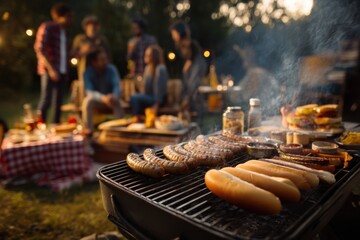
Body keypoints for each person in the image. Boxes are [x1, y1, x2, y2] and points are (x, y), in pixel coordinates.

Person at [34, 2, 72, 123]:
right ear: (59, 16)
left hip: (62, 71)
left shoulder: (64, 32)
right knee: (46, 100)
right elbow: (40, 48)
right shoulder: (48, 27)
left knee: (58, 102)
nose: (70, 20)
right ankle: (39, 127)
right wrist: (51, 69)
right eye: (68, 16)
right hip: (49, 70)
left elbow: (63, 54)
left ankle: (56, 127)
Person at [169, 20, 207, 121]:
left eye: (174, 33)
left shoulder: (187, 40)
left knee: (193, 85)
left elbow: (195, 51)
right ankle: (190, 112)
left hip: (197, 64)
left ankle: (197, 114)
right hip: (192, 64)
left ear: (179, 32)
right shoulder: (179, 44)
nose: (173, 36)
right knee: (188, 87)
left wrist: (189, 62)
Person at [71, 15, 110, 107]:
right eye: (90, 25)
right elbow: (72, 55)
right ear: (86, 27)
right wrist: (82, 51)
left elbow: (108, 57)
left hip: (100, 73)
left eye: (95, 25)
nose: (93, 28)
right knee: (85, 94)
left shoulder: (102, 40)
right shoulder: (80, 39)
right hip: (85, 72)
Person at [82, 49, 124, 133]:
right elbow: (90, 91)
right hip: (98, 101)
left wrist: (114, 95)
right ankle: (89, 132)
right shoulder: (87, 72)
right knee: (87, 102)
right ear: (94, 62)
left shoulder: (111, 69)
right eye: (102, 59)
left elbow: (116, 85)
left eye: (106, 58)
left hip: (111, 100)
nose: (105, 61)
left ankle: (119, 131)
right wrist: (103, 98)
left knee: (118, 103)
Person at [233, 45, 281, 117]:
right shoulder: (255, 72)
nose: (242, 56)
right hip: (265, 112)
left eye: (246, 54)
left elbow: (249, 96)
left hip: (264, 114)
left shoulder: (256, 73)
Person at [130, 45, 168, 119]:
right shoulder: (148, 68)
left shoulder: (160, 69)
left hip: (158, 100)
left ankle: (135, 118)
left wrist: (157, 104)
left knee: (135, 98)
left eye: (148, 55)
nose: (145, 56)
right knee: (134, 97)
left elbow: (160, 89)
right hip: (150, 97)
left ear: (154, 56)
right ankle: (139, 118)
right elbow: (145, 89)